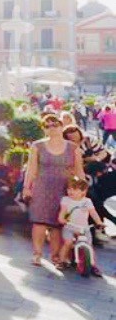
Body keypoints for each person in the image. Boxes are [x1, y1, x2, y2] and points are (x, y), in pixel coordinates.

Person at [24, 113, 85, 268]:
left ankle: (55, 256)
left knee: (57, 224)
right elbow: (31, 169)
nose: (52, 128)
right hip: (42, 187)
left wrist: (83, 191)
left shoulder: (73, 148)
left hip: (64, 188)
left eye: (55, 124)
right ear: (44, 129)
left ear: (61, 126)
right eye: (47, 125)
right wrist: (27, 187)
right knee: (39, 222)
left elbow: (79, 171)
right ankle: (37, 254)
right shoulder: (37, 146)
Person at [56, 176, 104, 276]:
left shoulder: (87, 201)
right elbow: (63, 211)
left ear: (83, 191)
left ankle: (92, 265)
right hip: (69, 226)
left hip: (84, 228)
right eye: (69, 188)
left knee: (89, 245)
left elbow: (93, 213)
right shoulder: (66, 200)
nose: (70, 191)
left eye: (74, 189)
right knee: (68, 242)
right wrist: (61, 218)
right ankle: (61, 261)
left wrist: (99, 222)